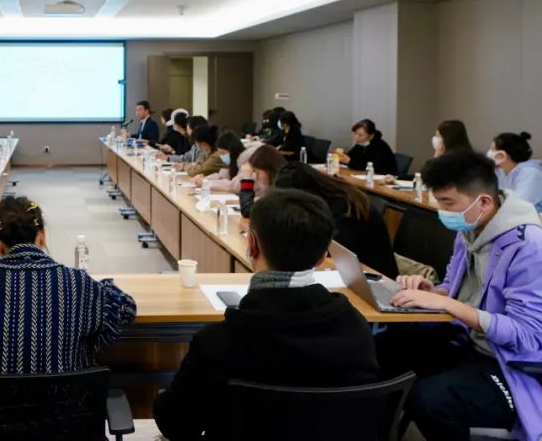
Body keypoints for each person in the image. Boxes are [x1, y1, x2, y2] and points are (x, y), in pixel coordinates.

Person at [381, 151, 542, 440]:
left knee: (432, 401)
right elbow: (458, 290)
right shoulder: (472, 231)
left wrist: (446, 303)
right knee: (386, 347)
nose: (441, 210)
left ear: (484, 202)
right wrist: (433, 291)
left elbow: (527, 337)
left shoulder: (533, 251)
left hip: (526, 370)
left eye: (447, 203)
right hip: (477, 344)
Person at [153, 189, 379, 441]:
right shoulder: (357, 330)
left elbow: (176, 426)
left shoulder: (218, 341)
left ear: (251, 244)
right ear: (323, 256)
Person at [0, 195, 136, 374]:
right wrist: (104, 288)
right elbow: (127, 309)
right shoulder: (82, 286)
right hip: (66, 409)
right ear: (41, 236)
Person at [274, 162, 398, 277]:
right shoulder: (328, 198)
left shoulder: (346, 208)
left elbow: (329, 250)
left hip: (376, 276)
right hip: (350, 272)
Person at [489, 132, 542, 220]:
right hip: (523, 221)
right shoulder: (501, 172)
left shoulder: (530, 174)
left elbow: (517, 207)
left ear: (504, 155)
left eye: (493, 150)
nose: (489, 153)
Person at [238, 146, 287, 218]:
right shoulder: (280, 183)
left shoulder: (283, 187)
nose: (257, 177)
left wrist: (247, 179)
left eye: (257, 173)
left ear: (267, 168)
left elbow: (248, 211)